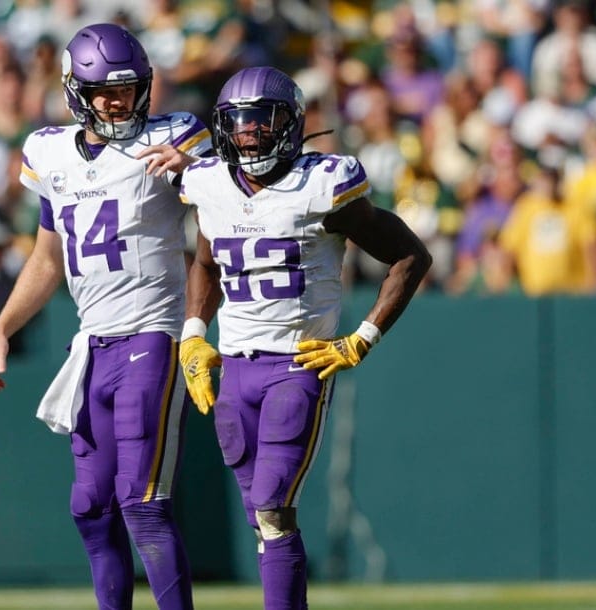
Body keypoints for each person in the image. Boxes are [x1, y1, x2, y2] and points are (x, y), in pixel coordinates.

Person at [177, 67, 431, 609]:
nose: (248, 133)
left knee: (272, 506)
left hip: (298, 364)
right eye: (237, 123)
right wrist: (194, 334)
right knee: (261, 519)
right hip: (234, 370)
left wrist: (362, 337)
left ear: (289, 125)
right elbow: (204, 263)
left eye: (260, 121)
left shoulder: (324, 184)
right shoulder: (209, 183)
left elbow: (410, 255)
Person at [0, 23, 212, 610]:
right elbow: (46, 256)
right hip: (92, 345)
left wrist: (190, 165)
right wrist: (3, 325)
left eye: (129, 89)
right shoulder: (48, 151)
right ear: (74, 90)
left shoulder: (174, 135)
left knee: (143, 502)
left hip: (152, 333)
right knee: (90, 506)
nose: (119, 101)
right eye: (105, 91)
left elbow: (228, 168)